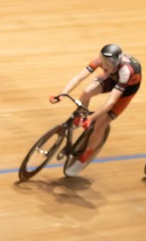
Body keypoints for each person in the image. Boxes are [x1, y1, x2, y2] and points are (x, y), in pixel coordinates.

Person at [53, 44, 141, 177]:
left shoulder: (125, 72)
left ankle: (85, 157)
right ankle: (80, 117)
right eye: (103, 62)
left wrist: (92, 118)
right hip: (111, 78)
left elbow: (111, 102)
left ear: (116, 63)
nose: (104, 66)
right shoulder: (102, 61)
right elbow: (79, 77)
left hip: (127, 88)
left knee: (101, 123)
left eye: (108, 64)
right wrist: (62, 93)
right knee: (87, 91)